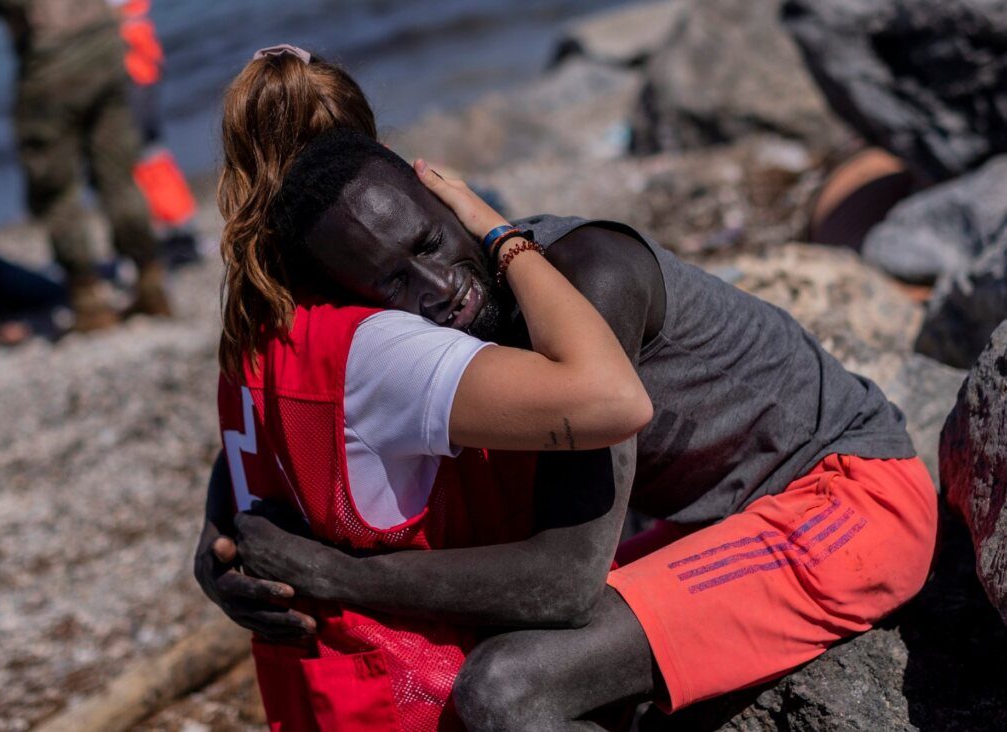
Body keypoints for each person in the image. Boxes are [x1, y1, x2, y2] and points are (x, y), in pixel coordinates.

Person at [197, 52, 938, 730]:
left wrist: (337, 576)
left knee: (505, 687)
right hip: (725, 518)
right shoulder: (423, 325)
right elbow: (285, 416)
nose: (438, 290)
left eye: (431, 245)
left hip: (843, 500)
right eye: (392, 283)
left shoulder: (590, 276)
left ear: (448, 198)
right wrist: (223, 538)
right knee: (492, 659)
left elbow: (564, 584)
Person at [207, 47, 650, 731]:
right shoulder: (380, 348)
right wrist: (504, 239)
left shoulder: (253, 334)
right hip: (415, 692)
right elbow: (610, 403)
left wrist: (218, 540)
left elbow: (259, 463)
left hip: (315, 697)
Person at [0, 0, 172, 331]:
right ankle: (150, 277)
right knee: (119, 174)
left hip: (52, 58)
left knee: (55, 187)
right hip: (104, 42)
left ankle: (88, 299)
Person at [106, 0, 203, 267]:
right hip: (133, 59)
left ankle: (178, 231)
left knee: (145, 153)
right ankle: (172, 230)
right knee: (145, 153)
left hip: (131, 63)